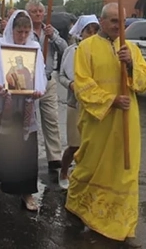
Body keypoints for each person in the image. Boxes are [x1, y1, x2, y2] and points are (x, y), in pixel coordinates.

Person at [66, 3, 146, 247]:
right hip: (99, 120)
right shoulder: (86, 48)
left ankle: (121, 223)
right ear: (101, 22)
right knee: (91, 164)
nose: (118, 26)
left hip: (127, 119)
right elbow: (82, 85)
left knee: (126, 169)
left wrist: (132, 65)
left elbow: (145, 82)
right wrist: (111, 100)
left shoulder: (131, 49)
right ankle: (79, 203)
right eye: (113, 21)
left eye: (121, 21)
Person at [0, 10, 46, 211]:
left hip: (25, 108)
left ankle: (26, 192)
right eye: (19, 32)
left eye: (26, 32)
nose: (23, 36)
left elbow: (40, 73)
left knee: (26, 152)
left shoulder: (34, 47)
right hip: (0, 107)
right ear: (11, 29)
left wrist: (38, 90)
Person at [58, 14, 99, 190]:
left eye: (95, 31)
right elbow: (61, 75)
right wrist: (71, 84)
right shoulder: (72, 51)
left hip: (96, 104)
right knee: (74, 145)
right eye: (88, 31)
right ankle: (63, 171)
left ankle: (85, 178)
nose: (91, 34)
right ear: (81, 32)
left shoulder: (101, 50)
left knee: (92, 146)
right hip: (75, 104)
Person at [26, 0, 67, 171]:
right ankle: (27, 156)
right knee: (28, 120)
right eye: (34, 11)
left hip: (48, 81)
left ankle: (55, 158)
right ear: (28, 13)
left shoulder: (50, 30)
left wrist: (54, 37)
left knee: (51, 119)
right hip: (30, 82)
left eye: (40, 11)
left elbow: (65, 49)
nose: (37, 14)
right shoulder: (23, 30)